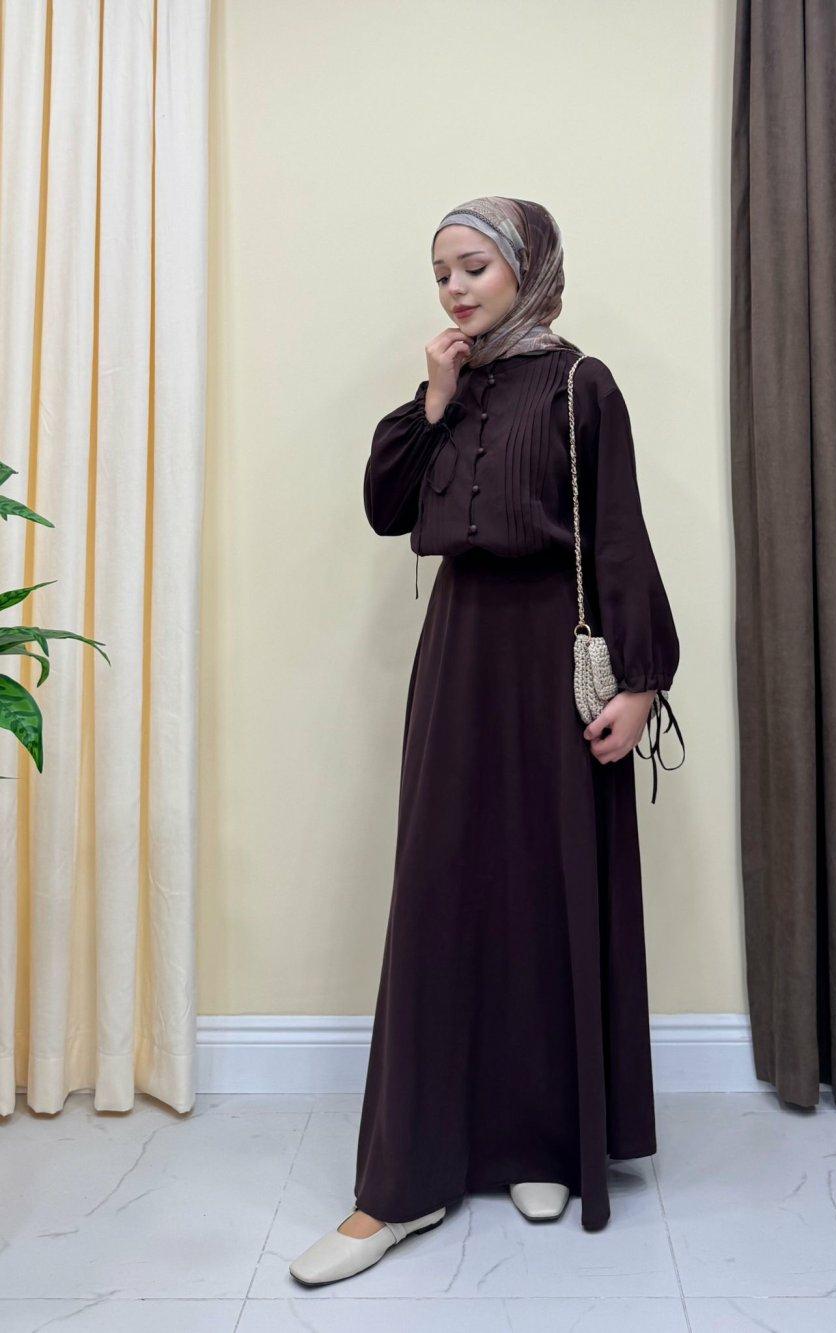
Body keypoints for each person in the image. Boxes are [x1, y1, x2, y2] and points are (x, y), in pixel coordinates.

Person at [290, 196, 684, 1287]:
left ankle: (538, 1142)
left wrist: (642, 682)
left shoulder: (579, 384)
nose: (455, 288)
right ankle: (400, 1186)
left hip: (552, 661)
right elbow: (388, 509)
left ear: (526, 268)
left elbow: (617, 532)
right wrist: (434, 395)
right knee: (445, 890)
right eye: (442, 273)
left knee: (545, 890)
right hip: (459, 655)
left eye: (473, 267)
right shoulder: (449, 391)